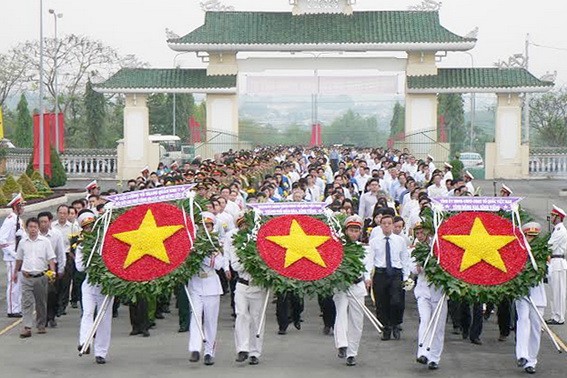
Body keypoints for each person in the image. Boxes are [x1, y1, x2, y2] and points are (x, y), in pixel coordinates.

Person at [75, 210, 114, 364]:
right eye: (86, 227)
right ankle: (84, 342)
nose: (89, 229)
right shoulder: (81, 245)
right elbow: (79, 267)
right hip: (90, 283)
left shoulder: (106, 241)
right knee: (88, 312)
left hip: (106, 284)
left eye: (91, 226)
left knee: (104, 318)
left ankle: (101, 353)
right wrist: (91, 259)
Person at [228, 217, 268, 365]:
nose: (245, 228)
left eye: (247, 225)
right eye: (242, 226)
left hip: (258, 286)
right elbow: (237, 266)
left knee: (257, 318)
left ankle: (254, 352)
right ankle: (242, 349)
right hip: (242, 285)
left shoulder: (261, 243)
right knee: (241, 315)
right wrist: (253, 261)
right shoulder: (236, 244)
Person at [333, 215, 371, 366]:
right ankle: (342, 344)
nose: (354, 233)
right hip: (342, 285)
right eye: (351, 230)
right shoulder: (339, 247)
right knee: (341, 314)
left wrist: (367, 278)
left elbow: (367, 267)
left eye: (356, 230)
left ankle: (352, 353)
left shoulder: (364, 249)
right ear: (346, 231)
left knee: (356, 321)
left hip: (357, 286)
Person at [368, 214, 410, 340]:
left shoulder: (400, 241)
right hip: (381, 273)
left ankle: (396, 323)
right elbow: (370, 260)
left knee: (396, 301)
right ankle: (386, 326)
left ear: (392, 225)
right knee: (381, 302)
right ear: (380, 225)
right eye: (384, 223)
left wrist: (406, 276)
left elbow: (404, 259)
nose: (386, 225)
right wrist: (367, 276)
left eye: (389, 223)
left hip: (396, 273)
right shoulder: (374, 241)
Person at [412, 224, 447, 370]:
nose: (419, 236)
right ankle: (423, 353)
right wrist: (418, 267)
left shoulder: (438, 248)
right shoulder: (417, 249)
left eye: (422, 232)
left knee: (438, 327)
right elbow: (412, 268)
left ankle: (434, 358)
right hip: (423, 292)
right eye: (417, 233)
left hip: (439, 292)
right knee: (425, 320)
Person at [13, 217, 56, 338]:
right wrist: (15, 272)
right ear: (27, 229)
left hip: (40, 276)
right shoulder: (22, 242)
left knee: (41, 302)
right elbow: (19, 258)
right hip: (26, 276)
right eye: (30, 227)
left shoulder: (45, 242)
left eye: (35, 227)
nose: (33, 229)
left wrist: (53, 272)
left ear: (38, 228)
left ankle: (41, 324)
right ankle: (27, 327)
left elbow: (51, 258)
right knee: (26, 302)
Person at [187, 239, 225, 366]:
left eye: (208, 226)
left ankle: (209, 352)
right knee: (195, 317)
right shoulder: (190, 245)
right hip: (195, 285)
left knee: (210, 321)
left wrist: (202, 256)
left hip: (211, 286)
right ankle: (195, 349)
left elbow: (219, 264)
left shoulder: (214, 246)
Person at [516, 222, 546, 374]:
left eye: (533, 236)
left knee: (535, 328)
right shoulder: (518, 250)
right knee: (523, 320)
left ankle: (531, 361)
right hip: (522, 292)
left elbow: (548, 274)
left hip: (538, 294)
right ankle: (521, 354)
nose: (531, 239)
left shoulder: (542, 252)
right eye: (528, 236)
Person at [37, 211, 66, 328]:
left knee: (52, 293)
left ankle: (51, 316)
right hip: (38, 267)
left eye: (45, 222)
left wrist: (61, 268)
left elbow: (60, 252)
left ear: (50, 222)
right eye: (41, 222)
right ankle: (42, 318)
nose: (43, 224)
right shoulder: (34, 234)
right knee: (40, 295)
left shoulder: (56, 234)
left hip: (51, 267)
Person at [0, 193, 25, 318]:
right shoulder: (10, 220)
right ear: (16, 206)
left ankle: (17, 307)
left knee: (19, 283)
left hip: (18, 256)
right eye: (21, 205)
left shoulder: (18, 220)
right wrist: (13, 253)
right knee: (13, 283)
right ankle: (11, 309)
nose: (23, 207)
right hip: (11, 257)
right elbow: (2, 240)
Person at [546, 205, 567, 325]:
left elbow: (550, 245)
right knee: (554, 291)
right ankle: (555, 315)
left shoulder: (561, 231)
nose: (551, 217)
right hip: (554, 262)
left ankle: (559, 317)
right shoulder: (556, 229)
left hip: (558, 262)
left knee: (559, 291)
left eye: (553, 216)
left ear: (558, 217)